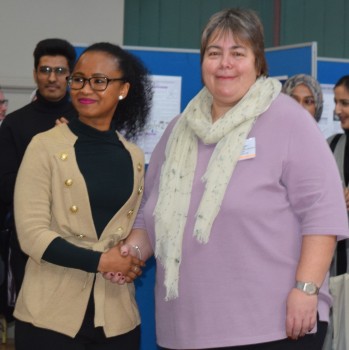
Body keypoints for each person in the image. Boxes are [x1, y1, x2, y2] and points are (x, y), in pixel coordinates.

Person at [109, 8, 349, 350]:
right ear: (202, 61)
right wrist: (127, 255)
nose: (225, 64)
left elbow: (322, 216)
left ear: (258, 62)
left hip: (274, 326)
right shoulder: (178, 131)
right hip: (185, 328)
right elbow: (152, 216)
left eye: (238, 53)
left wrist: (307, 289)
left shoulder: (290, 121)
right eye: (214, 53)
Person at [13, 42, 153, 349]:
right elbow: (32, 235)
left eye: (99, 80)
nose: (85, 88)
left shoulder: (134, 156)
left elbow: (137, 226)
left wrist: (130, 259)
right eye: (78, 79)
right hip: (49, 318)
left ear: (123, 89)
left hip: (118, 318)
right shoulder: (44, 146)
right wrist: (102, 260)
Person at [0, 38, 77, 298]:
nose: (51, 78)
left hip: (78, 239)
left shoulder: (86, 122)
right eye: (45, 70)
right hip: (28, 242)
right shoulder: (14, 123)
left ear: (70, 75)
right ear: (35, 74)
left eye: (59, 71)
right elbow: (6, 186)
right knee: (31, 321)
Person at [327, 75, 349, 275]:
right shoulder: (331, 144)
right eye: (336, 102)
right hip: (336, 267)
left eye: (345, 103)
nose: (337, 110)